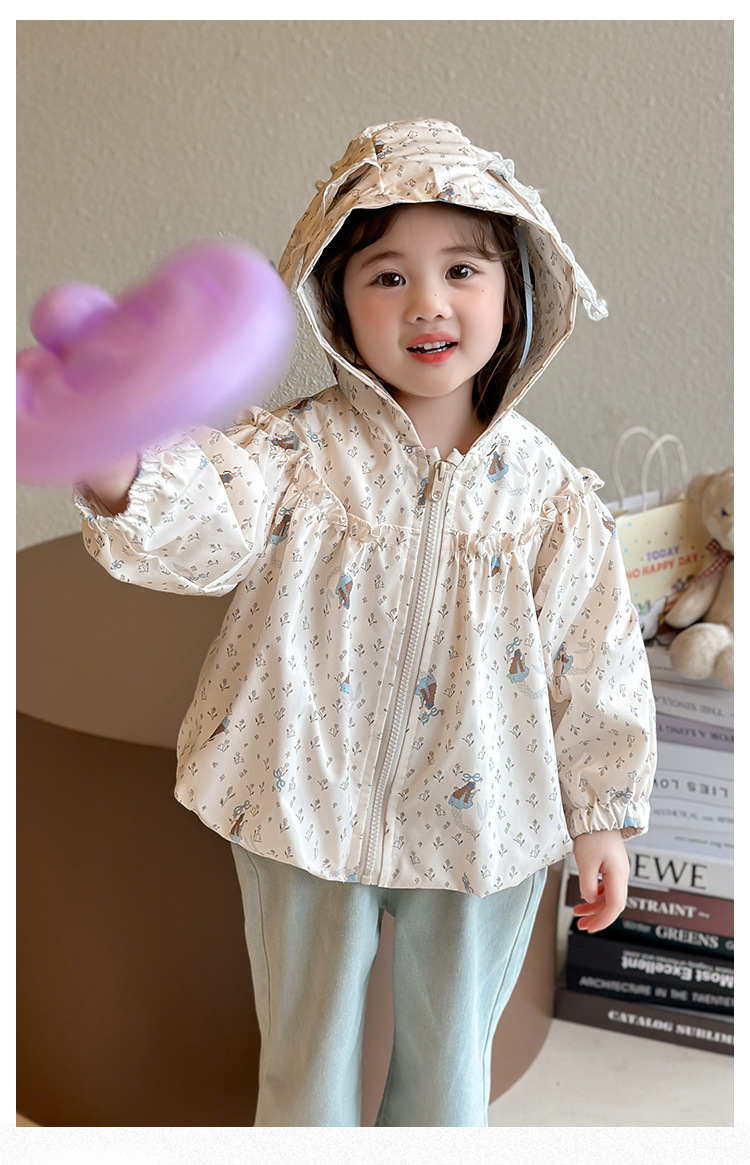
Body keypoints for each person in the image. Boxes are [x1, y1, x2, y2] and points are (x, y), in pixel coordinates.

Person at [75, 118, 656, 1127]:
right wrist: (116, 464)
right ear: (336, 302)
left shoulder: (551, 500)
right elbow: (205, 518)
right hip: (301, 795)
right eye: (387, 276)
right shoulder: (296, 452)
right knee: (304, 1068)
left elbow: (595, 656)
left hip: (484, 816)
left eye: (462, 269)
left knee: (448, 1074)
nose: (427, 301)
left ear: (515, 290)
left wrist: (601, 812)